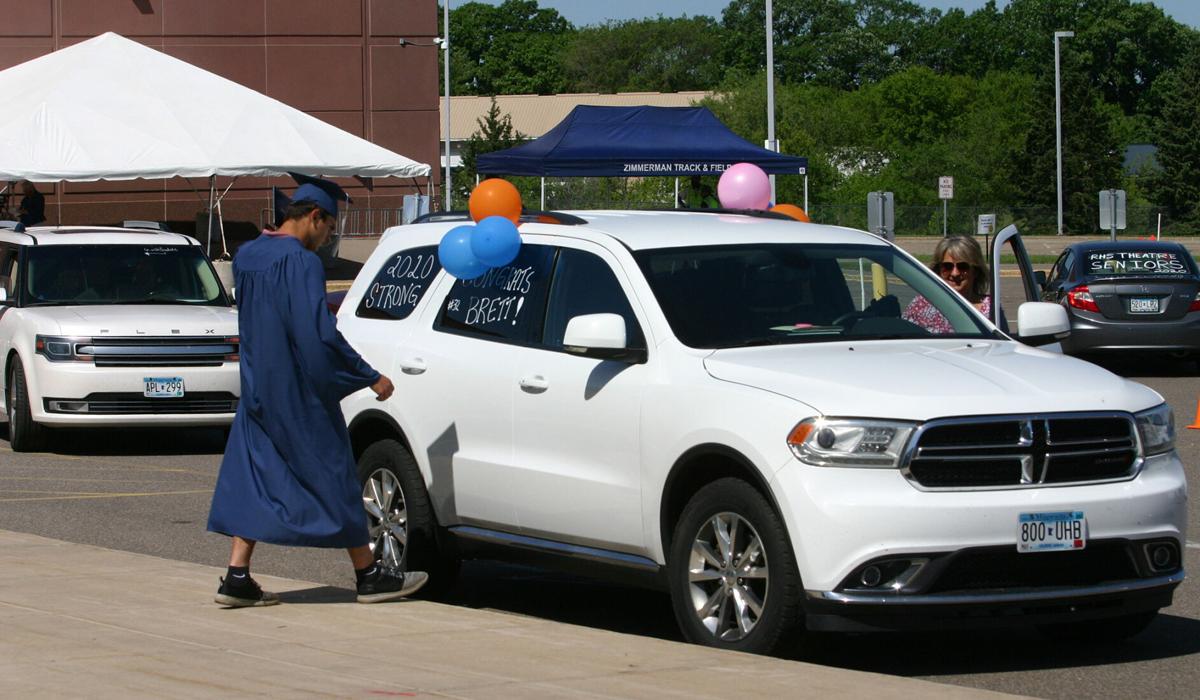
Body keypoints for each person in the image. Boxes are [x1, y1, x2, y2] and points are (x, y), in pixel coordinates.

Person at [206, 175, 427, 607]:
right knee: (336, 472)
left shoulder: (248, 255)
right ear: (314, 216)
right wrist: (367, 375)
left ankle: (237, 576)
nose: (328, 239)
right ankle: (368, 575)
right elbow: (319, 333)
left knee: (255, 476)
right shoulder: (301, 263)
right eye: (329, 228)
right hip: (298, 391)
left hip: (257, 388)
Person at [902, 235, 995, 334]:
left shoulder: (991, 307)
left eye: (963, 266)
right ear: (938, 270)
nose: (955, 273)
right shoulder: (921, 305)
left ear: (976, 271)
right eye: (947, 266)